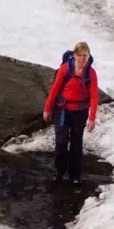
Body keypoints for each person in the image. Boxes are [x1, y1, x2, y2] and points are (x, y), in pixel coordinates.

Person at [43, 41, 99, 185]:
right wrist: (47, 108)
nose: (82, 58)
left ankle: (75, 175)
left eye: (85, 55)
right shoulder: (65, 69)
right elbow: (55, 90)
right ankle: (59, 171)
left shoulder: (91, 73)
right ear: (74, 55)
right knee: (61, 141)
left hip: (80, 112)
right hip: (63, 109)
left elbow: (94, 96)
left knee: (76, 142)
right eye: (79, 55)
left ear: (88, 56)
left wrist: (92, 118)